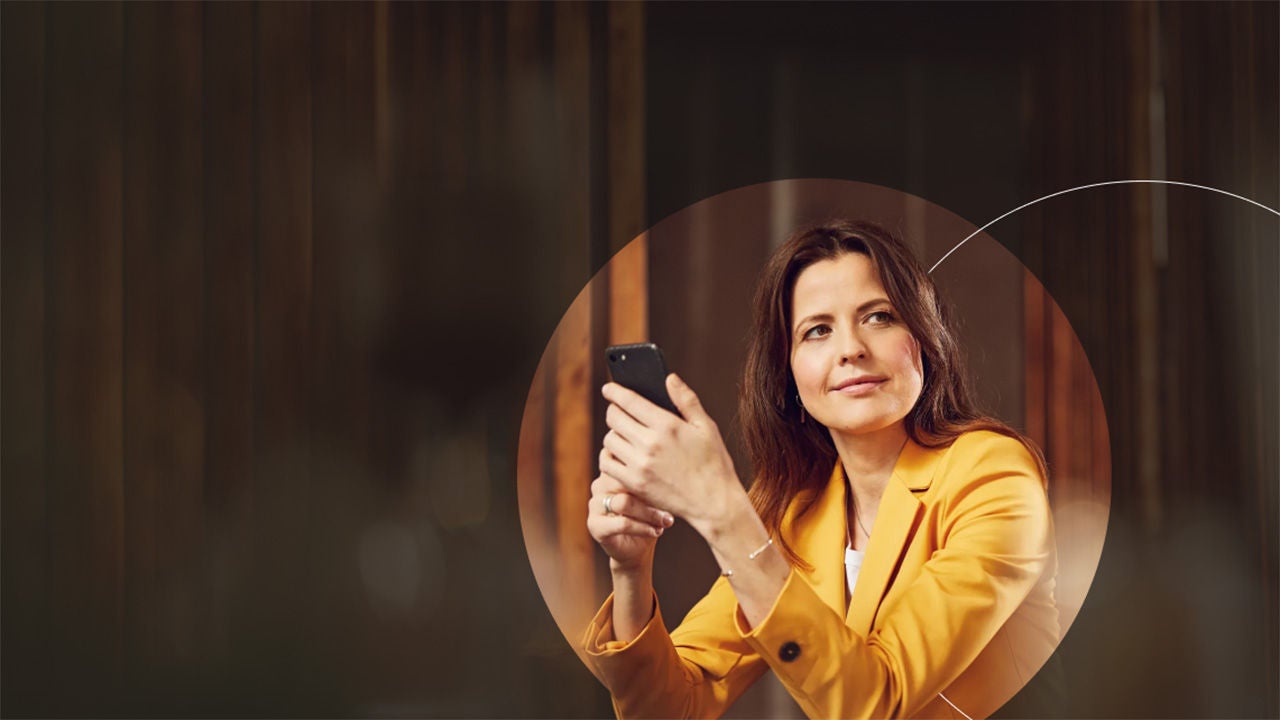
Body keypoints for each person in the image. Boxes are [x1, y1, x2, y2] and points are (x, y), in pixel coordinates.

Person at [583, 220, 1060, 719]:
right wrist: (630, 570)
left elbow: (877, 699)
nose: (850, 348)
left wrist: (720, 508)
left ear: (922, 338)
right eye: (818, 330)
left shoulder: (995, 474)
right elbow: (668, 709)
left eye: (879, 317)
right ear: (788, 375)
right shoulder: (798, 520)